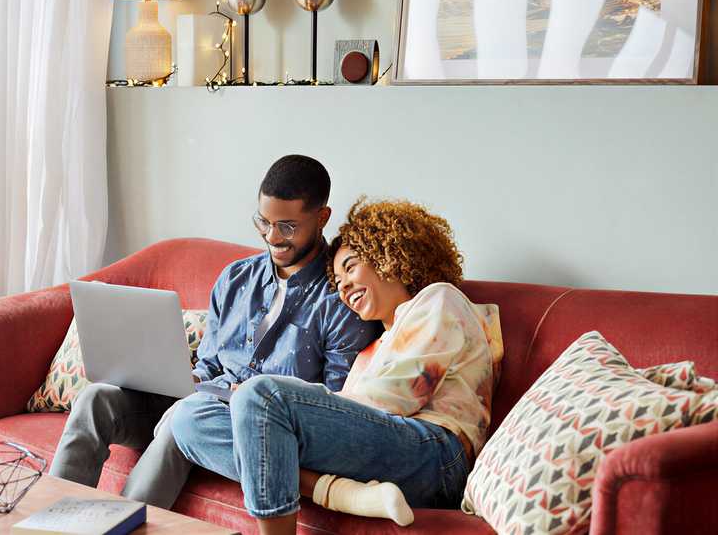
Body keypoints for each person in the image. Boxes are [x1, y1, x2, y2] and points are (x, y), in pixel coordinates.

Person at [48, 156, 382, 508]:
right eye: (263, 222)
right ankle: (54, 521)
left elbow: (332, 406)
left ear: (322, 217)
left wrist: (250, 396)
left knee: (185, 417)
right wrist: (179, 378)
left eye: (287, 226)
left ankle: (120, 525)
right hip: (202, 399)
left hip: (254, 427)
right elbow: (209, 364)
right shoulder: (236, 278)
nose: (272, 237)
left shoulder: (340, 299)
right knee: (96, 399)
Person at [171, 197, 501, 534]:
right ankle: (338, 492)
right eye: (337, 280)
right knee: (189, 421)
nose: (343, 286)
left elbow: (394, 400)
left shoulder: (438, 300)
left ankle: (313, 497)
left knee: (262, 396)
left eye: (351, 267)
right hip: (389, 450)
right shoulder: (371, 350)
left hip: (436, 455)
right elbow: (349, 424)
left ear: (388, 257)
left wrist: (268, 402)